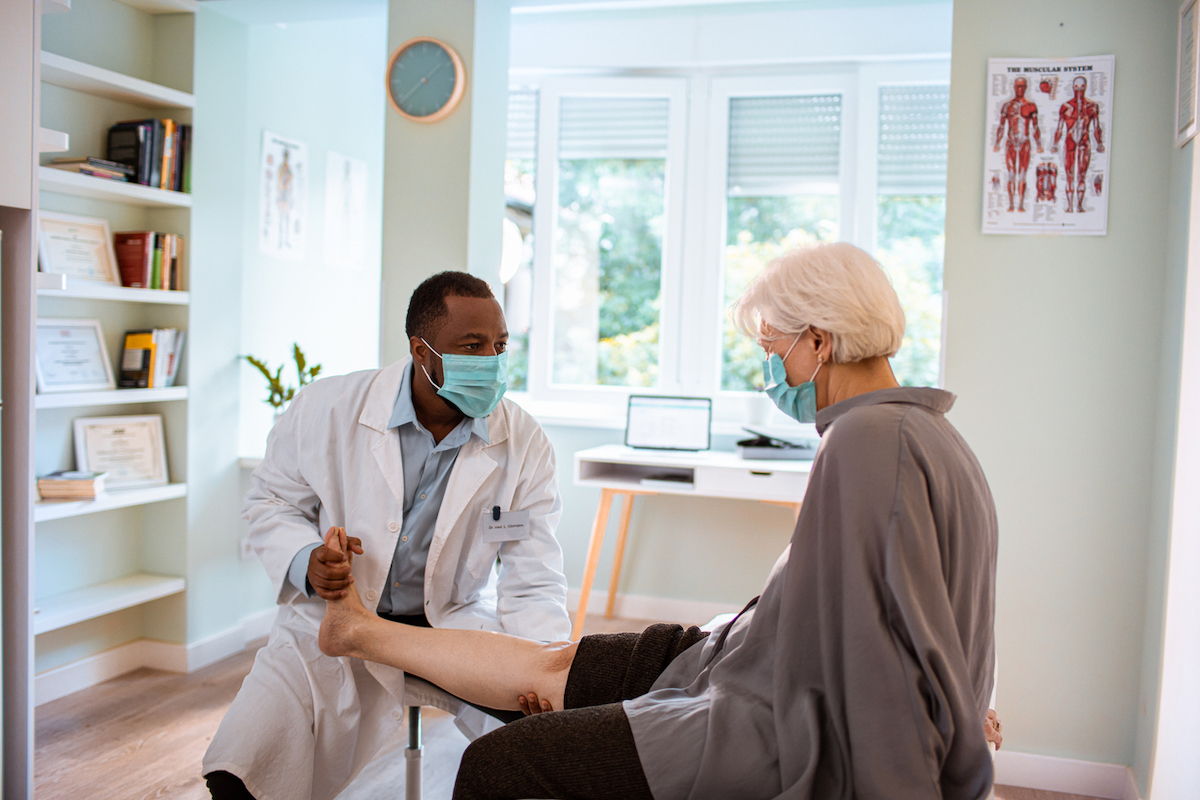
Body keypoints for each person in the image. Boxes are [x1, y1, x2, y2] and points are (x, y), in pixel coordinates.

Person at [318, 242, 1000, 800]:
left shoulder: (866, 443)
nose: (770, 369)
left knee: (500, 762)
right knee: (556, 664)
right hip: (735, 651)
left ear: (818, 342)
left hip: (758, 713)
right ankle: (360, 630)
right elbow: (929, 625)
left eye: (774, 349)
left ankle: (362, 634)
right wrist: (962, 711)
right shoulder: (925, 433)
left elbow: (878, 657)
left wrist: (945, 740)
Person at [203, 271, 571, 800]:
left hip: (454, 625)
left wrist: (540, 663)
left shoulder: (524, 441)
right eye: (472, 346)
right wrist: (307, 559)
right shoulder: (327, 408)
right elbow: (271, 501)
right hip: (335, 619)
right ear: (421, 350)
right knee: (242, 766)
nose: (492, 360)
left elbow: (533, 575)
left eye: (500, 345)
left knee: (550, 747)